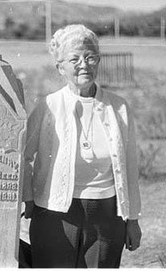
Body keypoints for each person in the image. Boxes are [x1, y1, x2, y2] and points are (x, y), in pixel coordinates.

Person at [22, 24, 141, 268]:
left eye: (90, 57)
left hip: (107, 217)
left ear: (98, 61)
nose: (84, 65)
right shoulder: (48, 106)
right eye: (74, 59)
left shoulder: (119, 107)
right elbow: (22, 157)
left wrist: (132, 220)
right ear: (60, 67)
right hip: (54, 217)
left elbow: (130, 166)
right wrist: (29, 200)